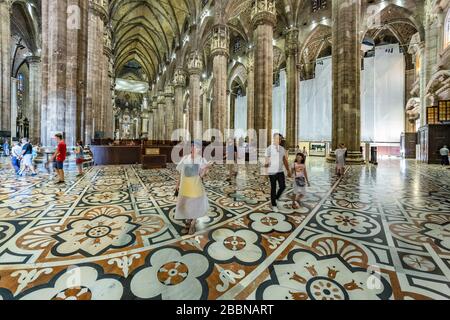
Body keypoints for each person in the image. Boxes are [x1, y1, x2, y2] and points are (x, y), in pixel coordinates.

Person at [175, 141, 213, 235]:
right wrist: (177, 184)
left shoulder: (201, 160)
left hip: (196, 186)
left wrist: (206, 167)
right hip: (186, 186)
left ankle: (192, 224)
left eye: (196, 147)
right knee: (187, 205)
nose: (193, 148)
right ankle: (188, 222)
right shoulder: (185, 158)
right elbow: (181, 173)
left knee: (195, 205)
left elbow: (201, 175)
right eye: (192, 146)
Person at [265, 133, 292, 212]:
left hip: (280, 171)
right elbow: (266, 161)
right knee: (273, 188)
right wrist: (265, 173)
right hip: (272, 172)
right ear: (273, 139)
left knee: (283, 186)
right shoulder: (269, 149)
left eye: (280, 139)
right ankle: (274, 205)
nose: (278, 140)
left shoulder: (282, 149)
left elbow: (284, 160)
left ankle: (275, 198)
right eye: (277, 138)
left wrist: (288, 170)